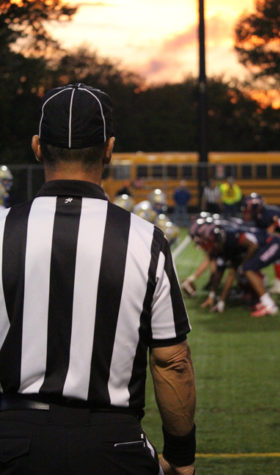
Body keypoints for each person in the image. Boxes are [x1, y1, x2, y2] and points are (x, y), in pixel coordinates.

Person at [0, 83, 196, 475]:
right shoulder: (145, 239)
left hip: (12, 438)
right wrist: (181, 455)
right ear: (109, 149)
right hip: (114, 443)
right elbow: (172, 361)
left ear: (37, 146)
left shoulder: (3, 229)